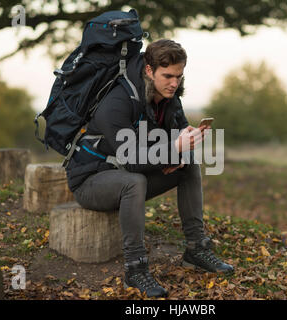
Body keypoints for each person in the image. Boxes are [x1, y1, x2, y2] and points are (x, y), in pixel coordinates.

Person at [65, 39, 233, 298]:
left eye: (179, 76)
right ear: (148, 70)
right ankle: (135, 268)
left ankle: (196, 249)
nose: (174, 83)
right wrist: (172, 150)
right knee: (134, 181)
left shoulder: (169, 99)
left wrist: (180, 151)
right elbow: (131, 160)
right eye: (167, 76)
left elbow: (175, 142)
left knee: (189, 166)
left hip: (129, 173)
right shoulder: (117, 101)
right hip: (91, 180)